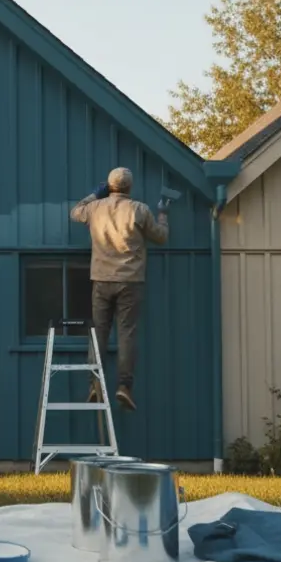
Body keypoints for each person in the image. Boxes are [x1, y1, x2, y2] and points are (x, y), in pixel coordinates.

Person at [68, 166, 169, 411]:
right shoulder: (140, 210)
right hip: (130, 281)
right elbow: (161, 236)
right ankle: (124, 387)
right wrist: (163, 213)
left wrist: (94, 195)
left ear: (110, 187)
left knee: (99, 333)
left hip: (101, 279)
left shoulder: (95, 208)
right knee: (127, 334)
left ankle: (95, 384)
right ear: (129, 187)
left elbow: (74, 212)